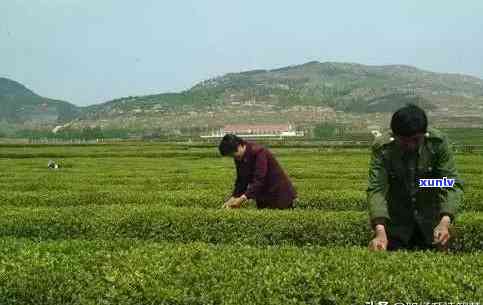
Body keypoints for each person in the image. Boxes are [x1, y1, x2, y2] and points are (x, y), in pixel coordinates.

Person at [367, 104, 463, 251]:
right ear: (394, 135)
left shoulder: (437, 143)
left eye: (416, 140)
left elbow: (450, 183)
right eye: (404, 141)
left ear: (424, 134)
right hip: (397, 224)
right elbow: (377, 188)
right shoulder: (383, 148)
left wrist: (445, 221)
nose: (411, 145)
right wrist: (380, 231)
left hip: (432, 224)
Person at [218, 134, 297, 209]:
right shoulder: (239, 157)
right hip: (263, 196)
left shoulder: (259, 152)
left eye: (234, 155)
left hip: (279, 194)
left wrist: (242, 199)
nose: (235, 158)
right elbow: (241, 181)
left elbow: (259, 179)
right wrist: (232, 199)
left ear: (239, 146)